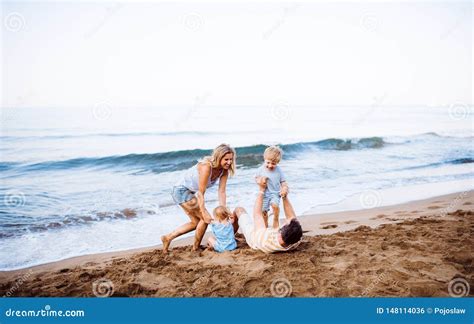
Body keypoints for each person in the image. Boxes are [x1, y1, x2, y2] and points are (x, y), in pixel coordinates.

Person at [161, 144, 236, 253]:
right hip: (181, 191)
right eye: (226, 159)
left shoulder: (224, 170)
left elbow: (222, 191)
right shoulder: (206, 167)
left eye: (231, 159)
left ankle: (167, 238)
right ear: (218, 157)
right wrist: (203, 211)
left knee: (195, 223)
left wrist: (225, 211)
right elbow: (201, 193)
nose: (229, 162)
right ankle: (195, 248)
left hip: (189, 192)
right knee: (204, 219)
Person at [232, 179, 302, 253]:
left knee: (239, 210)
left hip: (255, 239)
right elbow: (291, 217)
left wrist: (261, 190)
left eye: (285, 223)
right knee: (271, 212)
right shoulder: (296, 240)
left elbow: (257, 215)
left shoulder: (264, 240)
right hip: (271, 233)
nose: (286, 220)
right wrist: (284, 196)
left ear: (280, 232)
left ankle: (229, 236)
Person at [255, 146, 289, 228]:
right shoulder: (261, 169)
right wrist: (260, 181)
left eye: (273, 164)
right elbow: (256, 178)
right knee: (263, 211)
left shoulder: (279, 170)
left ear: (277, 162)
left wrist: (284, 188)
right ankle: (265, 225)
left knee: (275, 205)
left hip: (275, 193)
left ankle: (276, 218)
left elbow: (283, 181)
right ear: (264, 159)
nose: (270, 165)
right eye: (268, 162)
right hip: (264, 194)